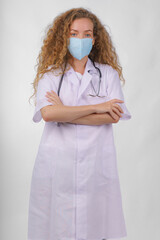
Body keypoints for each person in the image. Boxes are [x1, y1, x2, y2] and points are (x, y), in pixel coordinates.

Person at [28, 7, 131, 240]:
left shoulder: (108, 75)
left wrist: (64, 111)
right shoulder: (51, 76)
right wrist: (97, 106)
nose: (80, 39)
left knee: (96, 227)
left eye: (87, 34)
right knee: (56, 227)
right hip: (58, 164)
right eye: (73, 33)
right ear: (64, 37)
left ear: (94, 39)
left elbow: (114, 116)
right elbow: (48, 115)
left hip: (97, 164)